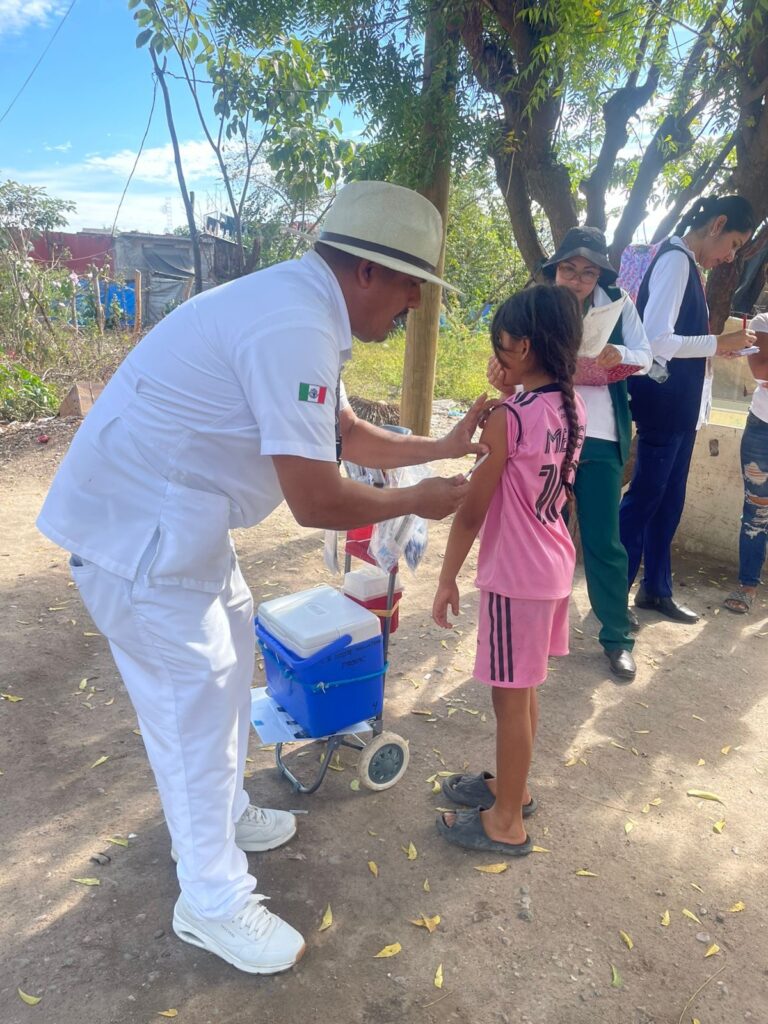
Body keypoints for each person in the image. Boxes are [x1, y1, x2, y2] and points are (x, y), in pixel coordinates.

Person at [36, 180, 490, 975]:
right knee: (194, 706)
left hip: (180, 522)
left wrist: (441, 448)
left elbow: (344, 433)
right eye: (410, 285)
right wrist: (419, 499)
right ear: (367, 272)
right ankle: (211, 902)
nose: (414, 304)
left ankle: (221, 818)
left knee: (228, 662)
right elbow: (316, 499)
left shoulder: (302, 308)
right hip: (137, 534)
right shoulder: (294, 324)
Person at [431, 285, 586, 855]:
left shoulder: (507, 419)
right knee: (524, 691)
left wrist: (446, 577)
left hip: (515, 575)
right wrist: (510, 392)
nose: (495, 351)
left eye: (500, 341)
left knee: (508, 699)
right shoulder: (570, 406)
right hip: (551, 565)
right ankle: (512, 790)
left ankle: (505, 822)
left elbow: (472, 510)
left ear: (521, 345)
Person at [620, 195, 756, 623]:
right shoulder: (676, 262)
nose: (730, 256)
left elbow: (679, 341)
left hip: (681, 408)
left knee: (668, 501)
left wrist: (717, 350)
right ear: (717, 224)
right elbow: (657, 340)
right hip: (664, 406)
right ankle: (613, 596)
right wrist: (719, 342)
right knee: (645, 499)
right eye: (733, 243)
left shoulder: (688, 265)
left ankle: (656, 589)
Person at [723, 305, 768, 613]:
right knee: (756, 511)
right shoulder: (762, 322)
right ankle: (748, 585)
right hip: (762, 428)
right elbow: (761, 370)